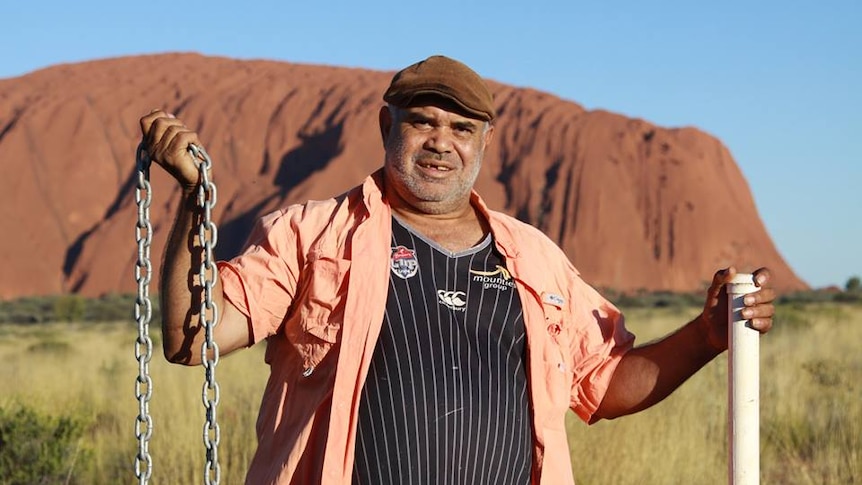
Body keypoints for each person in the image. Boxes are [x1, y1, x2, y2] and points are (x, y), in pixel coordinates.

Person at [139, 55, 776, 485]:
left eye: (462, 128)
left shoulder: (535, 258)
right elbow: (192, 337)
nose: (442, 142)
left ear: (485, 142)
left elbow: (603, 384)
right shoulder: (311, 234)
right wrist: (195, 202)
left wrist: (706, 337)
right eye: (423, 122)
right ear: (387, 125)